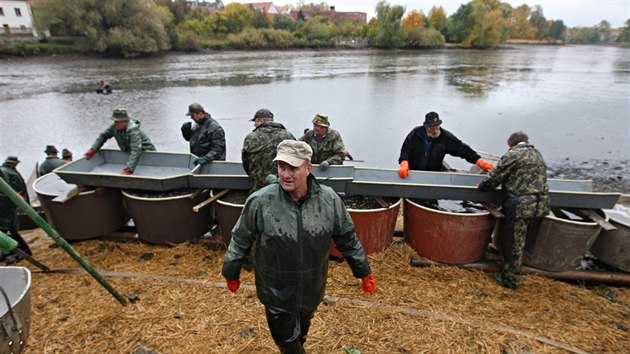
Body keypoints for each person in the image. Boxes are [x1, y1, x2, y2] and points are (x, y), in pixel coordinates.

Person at [222, 140, 376, 353]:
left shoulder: (328, 200)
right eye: (281, 167)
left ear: (308, 168)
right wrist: (231, 270)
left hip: (312, 286)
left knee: (300, 333)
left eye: (293, 168)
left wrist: (363, 270)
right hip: (276, 289)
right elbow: (240, 239)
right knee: (287, 342)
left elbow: (347, 238)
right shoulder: (260, 201)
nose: (286, 174)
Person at [478, 131, 549, 290]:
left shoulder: (514, 155)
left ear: (511, 142)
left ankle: (510, 280)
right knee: (523, 241)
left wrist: (482, 187)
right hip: (540, 205)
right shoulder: (537, 155)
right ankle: (515, 270)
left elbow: (495, 177)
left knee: (514, 243)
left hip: (521, 206)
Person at [398, 111, 494, 178]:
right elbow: (406, 150)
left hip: (433, 176)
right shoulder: (415, 133)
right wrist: (404, 163)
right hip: (412, 173)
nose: (435, 130)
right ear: (426, 126)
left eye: (437, 126)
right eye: (432, 127)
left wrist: (479, 161)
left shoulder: (446, 138)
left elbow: (463, 150)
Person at [84, 109, 156, 175]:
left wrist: (129, 170)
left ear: (125, 121)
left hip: (146, 154)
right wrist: (93, 149)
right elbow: (103, 136)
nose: (115, 123)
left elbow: (136, 150)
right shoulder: (114, 127)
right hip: (131, 154)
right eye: (115, 121)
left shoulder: (134, 132)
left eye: (117, 121)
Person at [241, 108, 295, 193]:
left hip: (258, 187)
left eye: (255, 121)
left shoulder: (251, 137)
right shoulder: (288, 136)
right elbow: (295, 159)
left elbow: (245, 162)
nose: (254, 125)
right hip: (282, 185)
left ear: (260, 120)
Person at [0, 157, 32, 264]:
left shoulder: (4, 172)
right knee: (4, 229)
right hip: (4, 202)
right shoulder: (7, 171)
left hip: (4, 204)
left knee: (8, 228)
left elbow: (6, 190)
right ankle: (7, 250)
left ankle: (24, 250)